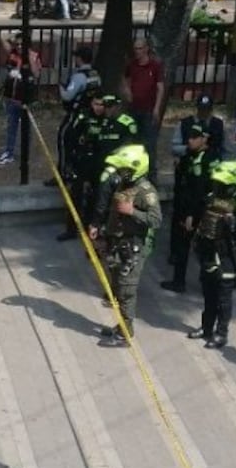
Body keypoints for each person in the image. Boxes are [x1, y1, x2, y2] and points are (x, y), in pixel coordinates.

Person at [89, 145, 163, 346]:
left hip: (134, 247)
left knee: (126, 291)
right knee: (116, 286)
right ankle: (120, 325)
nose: (121, 173)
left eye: (124, 170)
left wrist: (133, 212)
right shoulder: (123, 184)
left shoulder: (146, 192)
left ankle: (125, 334)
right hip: (118, 242)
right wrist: (100, 226)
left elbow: (156, 220)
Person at [187, 161, 236, 349]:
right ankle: (206, 327)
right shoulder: (210, 198)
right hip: (207, 252)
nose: (219, 188)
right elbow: (199, 212)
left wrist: (234, 226)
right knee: (208, 294)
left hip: (227, 257)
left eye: (224, 185)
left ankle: (221, 333)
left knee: (223, 298)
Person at [162, 124, 215, 293]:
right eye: (189, 137)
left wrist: (192, 214)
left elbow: (199, 191)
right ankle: (185, 280)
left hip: (196, 210)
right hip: (186, 207)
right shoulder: (192, 155)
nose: (190, 141)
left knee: (189, 245)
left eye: (194, 137)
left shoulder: (203, 161)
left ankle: (182, 282)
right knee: (184, 245)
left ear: (204, 139)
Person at [57, 89, 108, 241]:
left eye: (102, 104)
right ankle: (71, 229)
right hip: (82, 160)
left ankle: (91, 227)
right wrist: (70, 162)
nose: (99, 107)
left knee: (97, 197)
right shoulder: (83, 117)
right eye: (96, 104)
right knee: (76, 196)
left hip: (100, 163)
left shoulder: (108, 120)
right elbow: (71, 139)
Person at [0, 31, 41, 167]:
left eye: (23, 44)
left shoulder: (33, 56)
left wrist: (30, 58)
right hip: (11, 97)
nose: (20, 46)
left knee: (26, 128)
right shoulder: (13, 53)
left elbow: (36, 74)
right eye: (18, 44)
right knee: (11, 126)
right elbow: (2, 39)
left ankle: (25, 153)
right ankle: (9, 152)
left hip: (25, 99)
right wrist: (14, 36)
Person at [56, 46, 100, 181]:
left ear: (80, 59)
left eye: (76, 57)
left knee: (64, 138)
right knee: (82, 144)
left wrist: (60, 88)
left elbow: (68, 96)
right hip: (90, 114)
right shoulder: (95, 75)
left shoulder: (79, 77)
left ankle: (63, 173)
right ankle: (78, 170)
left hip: (75, 114)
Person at [123, 38, 165, 175]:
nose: (137, 52)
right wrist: (128, 92)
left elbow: (160, 87)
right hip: (134, 109)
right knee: (134, 143)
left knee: (150, 145)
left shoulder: (155, 65)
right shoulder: (132, 65)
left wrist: (157, 108)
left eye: (140, 48)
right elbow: (126, 80)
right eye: (135, 49)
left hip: (148, 110)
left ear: (146, 49)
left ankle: (152, 175)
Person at [172, 93, 226, 162]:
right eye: (202, 108)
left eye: (207, 109)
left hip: (212, 164)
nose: (204, 111)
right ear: (197, 107)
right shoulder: (184, 123)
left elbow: (226, 150)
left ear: (211, 109)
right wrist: (188, 148)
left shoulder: (218, 124)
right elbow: (175, 147)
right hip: (188, 164)